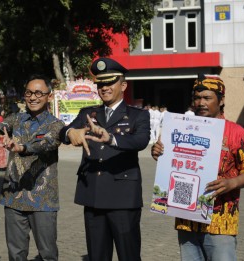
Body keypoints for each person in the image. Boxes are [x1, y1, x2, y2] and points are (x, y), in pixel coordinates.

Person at [151, 74, 244, 261]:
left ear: (221, 101)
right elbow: (173, 163)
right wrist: (159, 152)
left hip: (220, 221)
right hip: (186, 219)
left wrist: (233, 183)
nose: (201, 103)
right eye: (197, 98)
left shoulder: (236, 132)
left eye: (207, 98)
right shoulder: (181, 128)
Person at [60, 57, 150, 261]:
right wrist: (70, 133)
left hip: (123, 198)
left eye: (110, 82)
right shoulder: (88, 113)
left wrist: (111, 138)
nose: (104, 87)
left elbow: (141, 141)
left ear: (123, 85)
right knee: (97, 256)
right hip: (93, 196)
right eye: (100, 83)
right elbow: (64, 130)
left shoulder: (137, 116)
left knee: (129, 255)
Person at [0, 74, 64, 261]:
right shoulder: (16, 119)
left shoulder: (56, 125)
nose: (33, 97)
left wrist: (21, 147)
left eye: (39, 93)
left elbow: (46, 144)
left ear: (49, 96)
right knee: (16, 254)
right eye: (29, 92)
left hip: (43, 199)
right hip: (13, 196)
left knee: (47, 254)